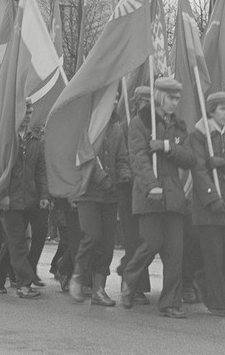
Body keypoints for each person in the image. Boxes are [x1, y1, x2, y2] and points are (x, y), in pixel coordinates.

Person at [121, 77, 196, 319]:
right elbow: (138, 159)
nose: (174, 103)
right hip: (148, 195)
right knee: (152, 243)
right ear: (159, 96)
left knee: (176, 251)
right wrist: (151, 184)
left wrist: (166, 147)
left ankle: (170, 304)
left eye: (177, 98)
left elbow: (189, 158)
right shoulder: (140, 123)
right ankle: (130, 277)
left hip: (173, 195)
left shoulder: (179, 126)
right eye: (170, 98)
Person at [69, 98, 131, 306]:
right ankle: (78, 277)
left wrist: (124, 174)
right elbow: (84, 155)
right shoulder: (85, 125)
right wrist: (100, 176)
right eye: (109, 98)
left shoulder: (116, 128)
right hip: (88, 192)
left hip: (110, 194)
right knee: (92, 236)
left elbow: (122, 157)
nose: (112, 102)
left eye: (115, 99)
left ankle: (99, 289)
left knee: (106, 245)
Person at [190, 91, 225, 317]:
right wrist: (212, 198)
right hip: (208, 206)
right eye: (222, 109)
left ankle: (217, 288)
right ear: (211, 110)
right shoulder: (199, 133)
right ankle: (217, 302)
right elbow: (198, 170)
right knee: (214, 255)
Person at [0, 99, 50, 299]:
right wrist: (4, 195)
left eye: (31, 111)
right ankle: (24, 284)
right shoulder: (6, 139)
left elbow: (40, 170)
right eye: (25, 111)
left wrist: (43, 195)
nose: (28, 115)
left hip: (31, 198)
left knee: (24, 238)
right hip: (10, 199)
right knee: (17, 242)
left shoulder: (35, 139)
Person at [115, 86, 152, 305]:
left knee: (147, 239)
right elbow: (122, 157)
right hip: (129, 191)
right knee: (133, 240)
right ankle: (131, 286)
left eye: (151, 101)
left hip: (149, 190)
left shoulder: (155, 126)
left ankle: (133, 278)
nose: (147, 105)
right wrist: (128, 174)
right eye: (143, 101)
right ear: (135, 103)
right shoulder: (124, 127)